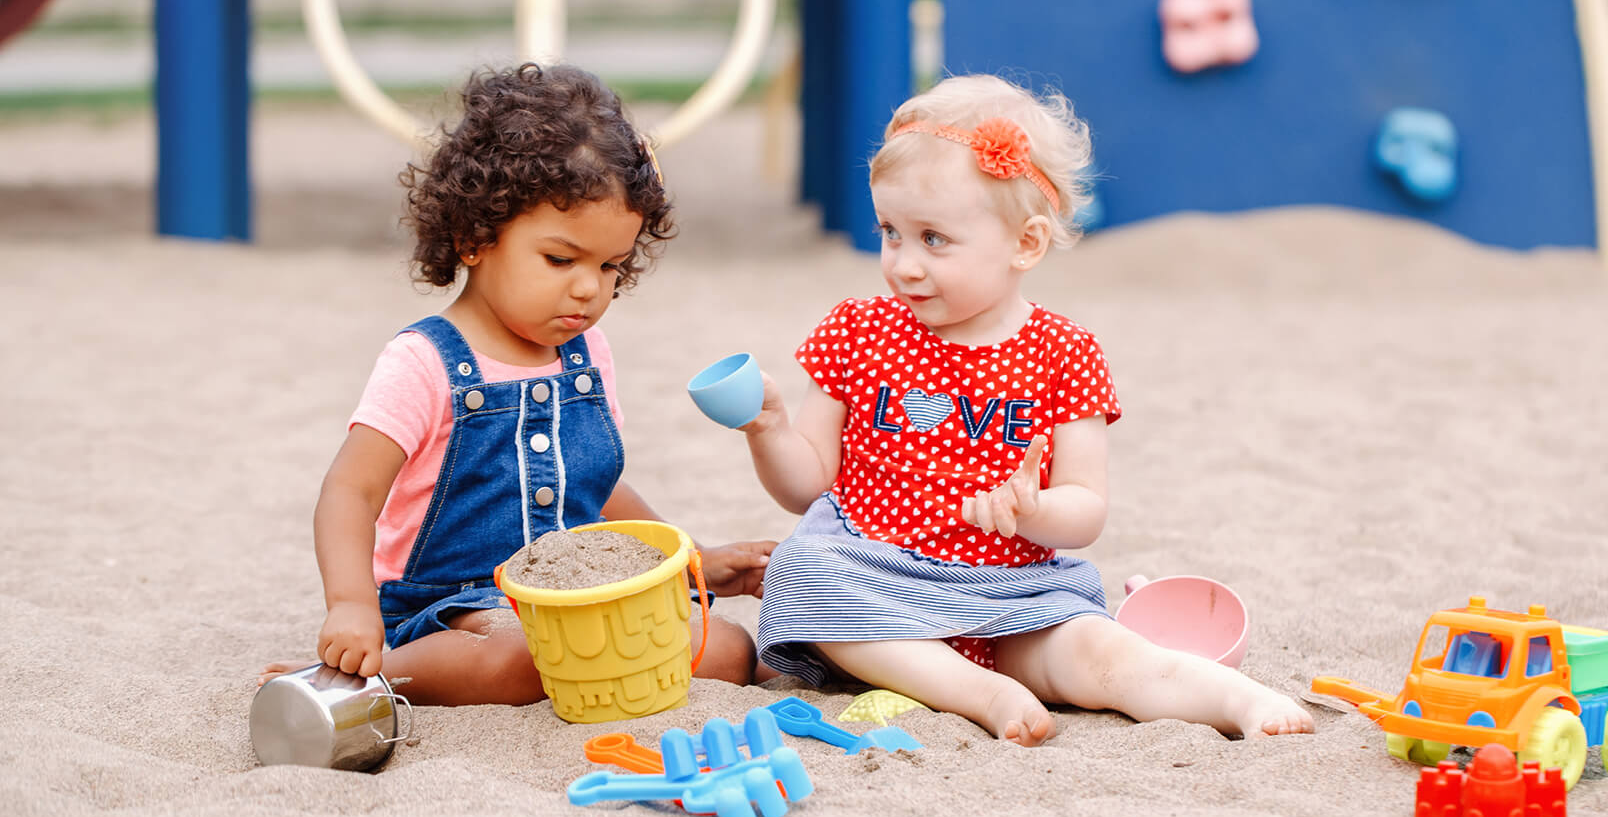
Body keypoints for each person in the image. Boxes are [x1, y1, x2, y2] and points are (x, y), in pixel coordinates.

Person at [734, 74, 1314, 744]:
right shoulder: (857, 331)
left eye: (934, 239)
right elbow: (806, 485)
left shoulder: (1064, 352)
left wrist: (1034, 511)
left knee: (1108, 657)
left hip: (1014, 593)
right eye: (891, 233)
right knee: (801, 570)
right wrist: (768, 429)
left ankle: (1239, 700)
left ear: (1026, 244)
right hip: (874, 582)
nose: (904, 264)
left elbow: (1086, 510)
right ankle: (974, 691)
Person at [260, 63, 772, 703]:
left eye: (610, 265)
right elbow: (350, 491)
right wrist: (350, 606)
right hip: (455, 605)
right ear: (476, 237)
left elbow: (595, 484)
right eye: (560, 260)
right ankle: (375, 676)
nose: (589, 288)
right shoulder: (425, 361)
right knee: (515, 656)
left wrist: (694, 562)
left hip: (577, 596)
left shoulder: (587, 355)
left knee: (725, 649)